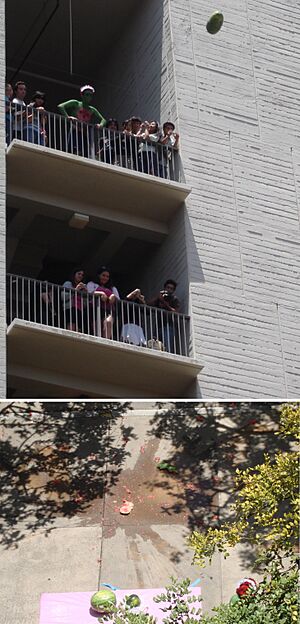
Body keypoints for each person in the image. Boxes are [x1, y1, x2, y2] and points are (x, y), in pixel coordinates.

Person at [58, 85, 106, 157]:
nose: (89, 97)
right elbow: (61, 106)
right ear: (82, 95)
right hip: (75, 131)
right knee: (71, 151)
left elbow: (103, 119)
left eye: (90, 95)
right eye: (87, 94)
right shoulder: (76, 103)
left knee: (85, 154)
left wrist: (101, 125)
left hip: (85, 134)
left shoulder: (92, 109)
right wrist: (68, 117)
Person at [87, 267, 120, 339]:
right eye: (103, 275)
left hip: (109, 310)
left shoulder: (112, 288)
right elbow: (88, 293)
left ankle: (107, 340)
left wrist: (113, 296)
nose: (105, 278)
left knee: (108, 322)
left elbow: (118, 299)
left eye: (107, 276)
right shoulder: (92, 284)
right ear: (99, 275)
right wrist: (101, 293)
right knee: (97, 328)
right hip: (95, 308)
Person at [148, 279, 180, 353]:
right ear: (165, 288)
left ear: (173, 291)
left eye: (171, 289)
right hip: (158, 326)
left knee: (167, 347)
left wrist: (163, 302)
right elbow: (148, 305)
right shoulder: (161, 297)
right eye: (168, 287)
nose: (169, 290)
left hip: (168, 326)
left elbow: (175, 312)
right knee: (156, 347)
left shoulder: (174, 299)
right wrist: (158, 297)